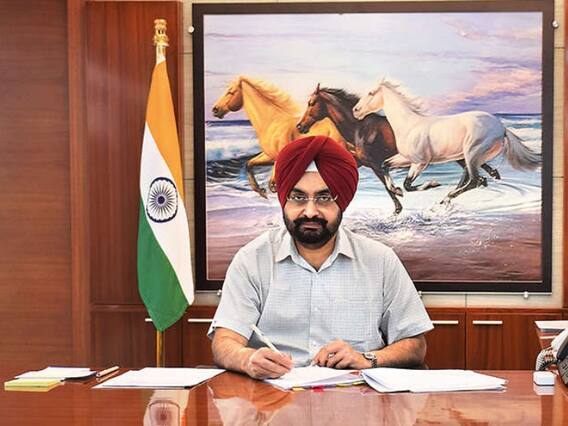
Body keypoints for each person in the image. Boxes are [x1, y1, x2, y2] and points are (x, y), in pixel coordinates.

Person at [208, 135, 433, 379]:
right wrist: (248, 359)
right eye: (298, 197)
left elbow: (415, 345)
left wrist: (367, 358)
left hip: (356, 397)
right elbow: (224, 342)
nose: (310, 211)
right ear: (284, 200)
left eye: (324, 198)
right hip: (273, 397)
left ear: (342, 203)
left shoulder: (380, 260)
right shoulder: (252, 259)